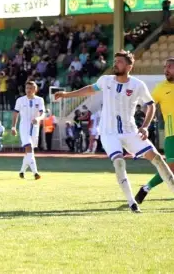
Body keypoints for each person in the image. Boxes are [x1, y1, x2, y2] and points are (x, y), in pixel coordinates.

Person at [55, 51, 174, 213]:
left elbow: (151, 105)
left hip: (130, 131)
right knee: (119, 162)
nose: (115, 64)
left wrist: (145, 126)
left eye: (119, 62)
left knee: (158, 159)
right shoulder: (106, 80)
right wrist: (67, 95)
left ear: (129, 66)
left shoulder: (138, 85)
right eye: (115, 61)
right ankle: (132, 202)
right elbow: (91, 89)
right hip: (108, 132)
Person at [135, 58, 174, 204]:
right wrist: (145, 123)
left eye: (170, 67)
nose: (166, 70)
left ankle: (146, 188)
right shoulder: (160, 88)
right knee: (170, 168)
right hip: (172, 135)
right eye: (165, 67)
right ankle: (146, 188)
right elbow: (148, 105)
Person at [11, 81, 45, 180]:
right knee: (28, 147)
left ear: (35, 89)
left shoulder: (40, 100)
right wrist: (13, 127)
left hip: (35, 127)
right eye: (27, 88)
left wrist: (38, 119)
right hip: (24, 127)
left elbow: (42, 113)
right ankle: (35, 173)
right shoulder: (20, 100)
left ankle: (22, 171)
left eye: (30, 88)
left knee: (29, 151)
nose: (28, 90)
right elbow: (15, 114)